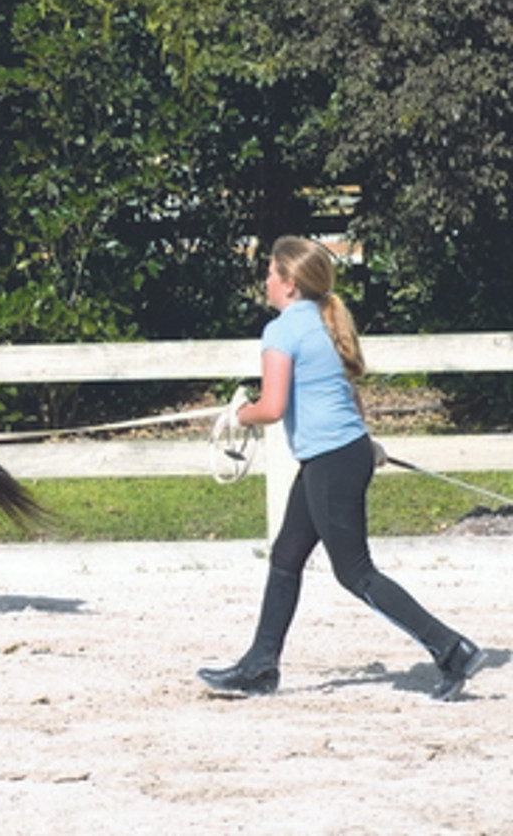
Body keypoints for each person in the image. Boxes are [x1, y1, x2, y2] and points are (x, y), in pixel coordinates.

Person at [197, 235, 487, 702]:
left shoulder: (282, 331)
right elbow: (345, 393)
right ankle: (260, 666)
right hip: (339, 454)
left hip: (331, 460)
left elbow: (272, 407)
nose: (266, 281)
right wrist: (364, 440)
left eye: (271, 273)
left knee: (355, 573)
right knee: (287, 555)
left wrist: (237, 414)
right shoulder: (324, 321)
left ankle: (452, 649)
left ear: (289, 284)